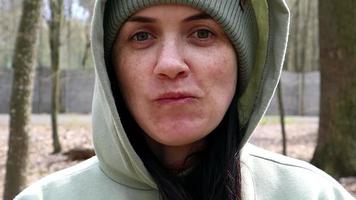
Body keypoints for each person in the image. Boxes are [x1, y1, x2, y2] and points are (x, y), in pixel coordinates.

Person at [15, 0, 354, 199]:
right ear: (110, 66)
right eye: (142, 36)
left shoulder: (312, 195)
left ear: (242, 60)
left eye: (202, 33)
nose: (170, 64)